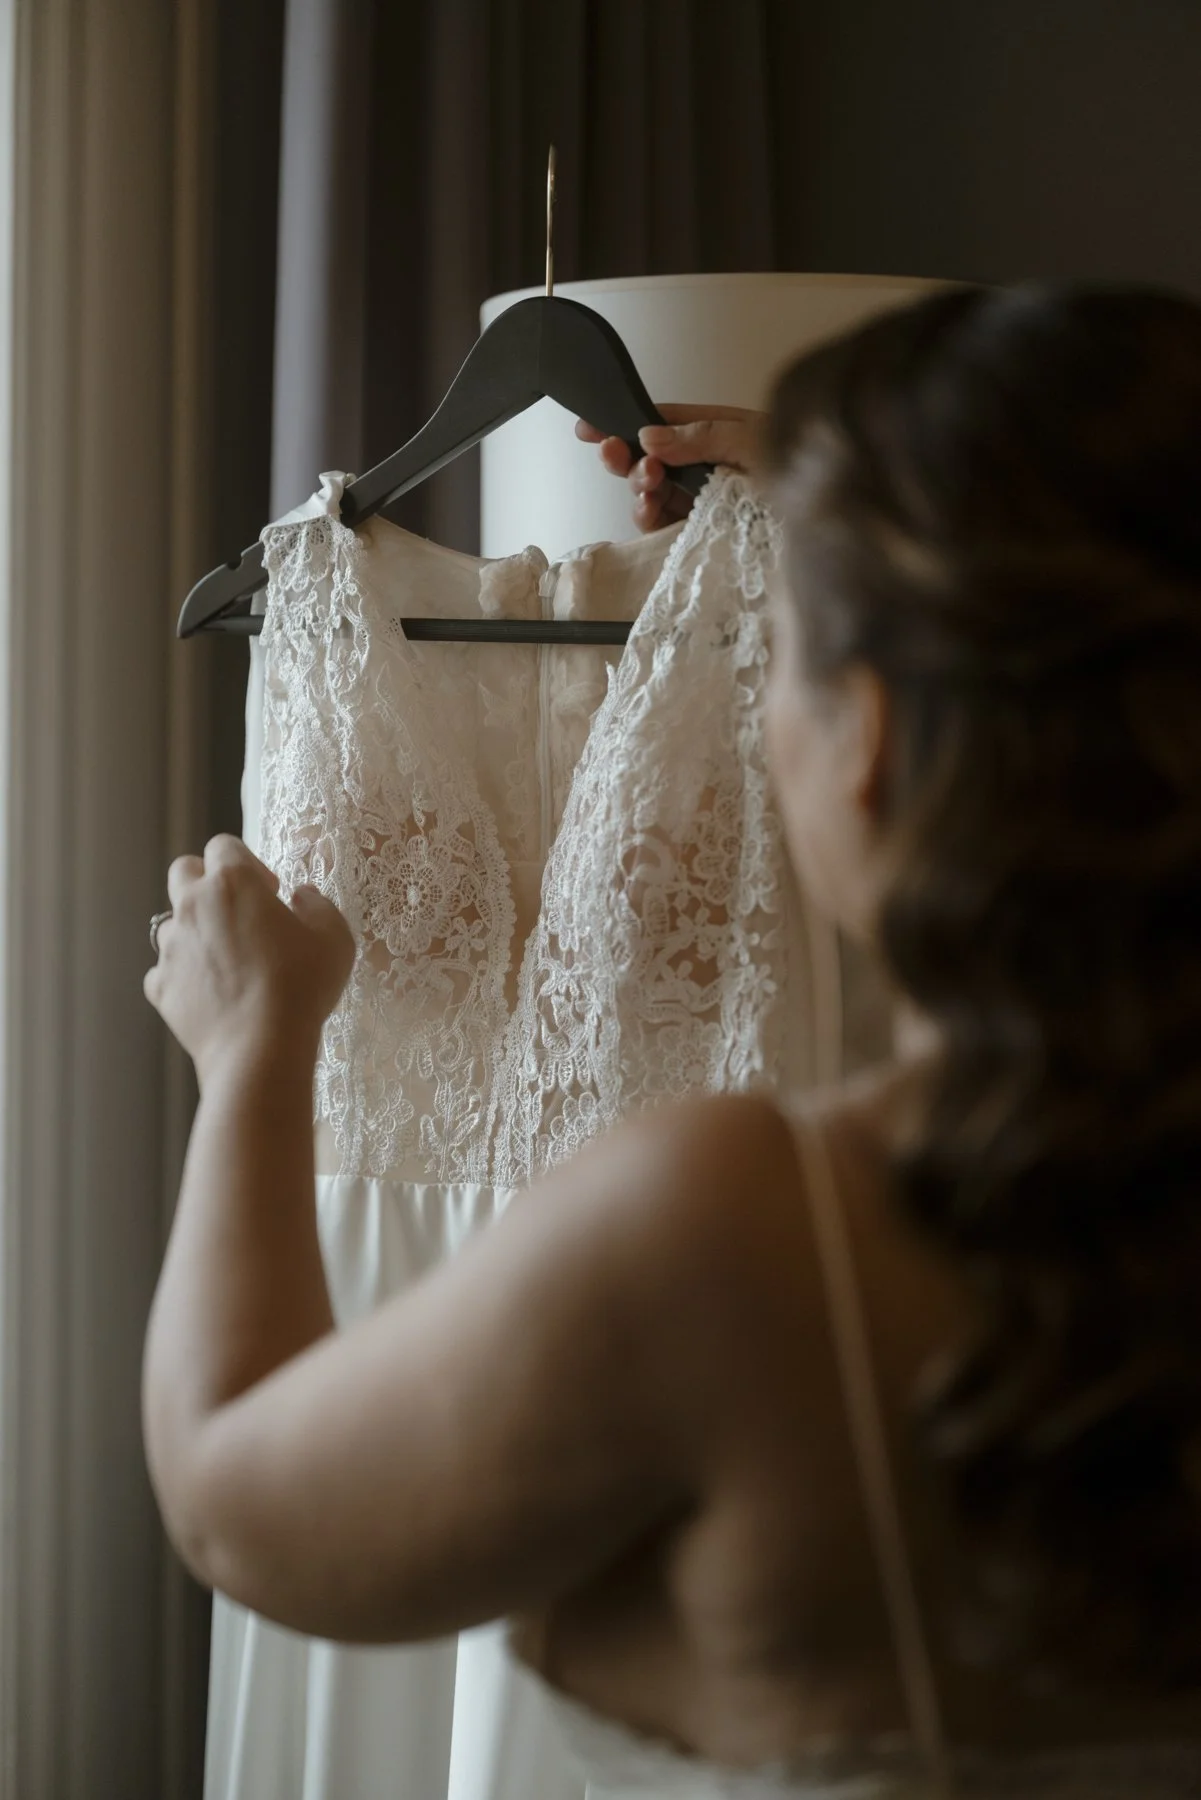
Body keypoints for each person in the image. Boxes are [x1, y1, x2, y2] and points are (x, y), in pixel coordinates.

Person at [143, 283, 1201, 1787]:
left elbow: (234, 1505)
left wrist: (252, 1053)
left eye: (795, 664)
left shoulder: (746, 1231)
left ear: (873, 739)